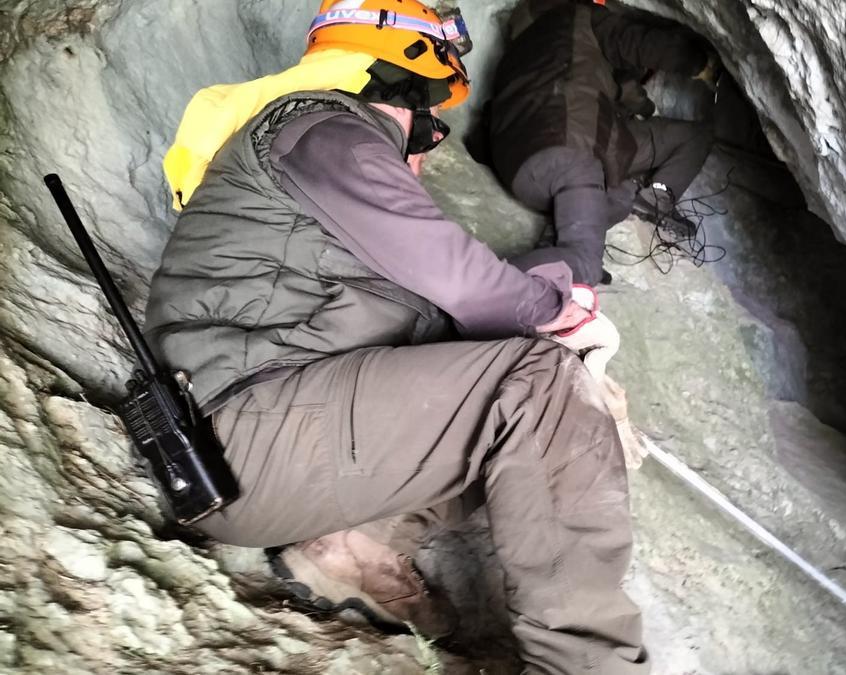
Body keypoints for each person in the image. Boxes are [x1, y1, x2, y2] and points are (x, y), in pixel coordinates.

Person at [145, 2, 647, 672]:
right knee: (538, 385)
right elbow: (466, 286)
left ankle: (350, 543)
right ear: (406, 77)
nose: (432, 144)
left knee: (539, 400)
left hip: (262, 446)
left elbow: (446, 315)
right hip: (249, 431)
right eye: (429, 120)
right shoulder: (322, 129)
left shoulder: (322, 179)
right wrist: (555, 327)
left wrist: (562, 324)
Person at [484, 0, 716, 285]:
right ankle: (477, 291)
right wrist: (701, 65)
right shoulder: (580, 14)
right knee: (583, 266)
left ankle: (641, 203)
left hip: (516, 160)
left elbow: (623, 89)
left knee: (619, 195)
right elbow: (642, 43)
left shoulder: (526, 38)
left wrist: (644, 110)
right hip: (565, 149)